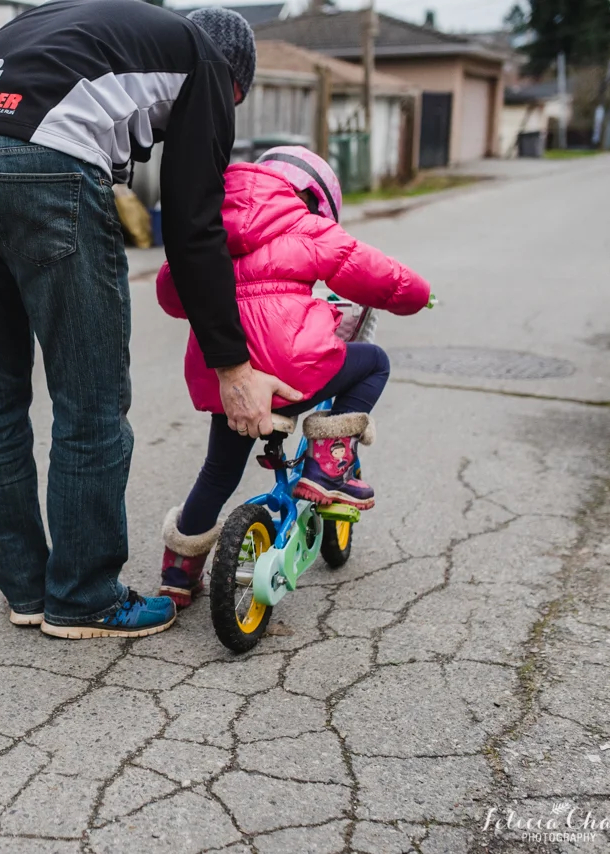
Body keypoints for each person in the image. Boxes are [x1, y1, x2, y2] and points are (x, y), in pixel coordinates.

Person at [0, 0, 283, 639]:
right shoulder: (202, 63)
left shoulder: (79, 31)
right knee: (91, 398)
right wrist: (233, 364)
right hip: (39, 164)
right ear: (234, 83)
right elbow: (194, 229)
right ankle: (84, 598)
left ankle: (28, 591)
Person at [154, 147, 432, 609]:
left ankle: (177, 574)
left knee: (218, 472)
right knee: (373, 362)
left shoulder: (208, 229)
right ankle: (328, 463)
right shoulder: (308, 227)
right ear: (315, 198)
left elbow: (170, 294)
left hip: (227, 382)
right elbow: (380, 277)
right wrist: (421, 296)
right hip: (293, 374)